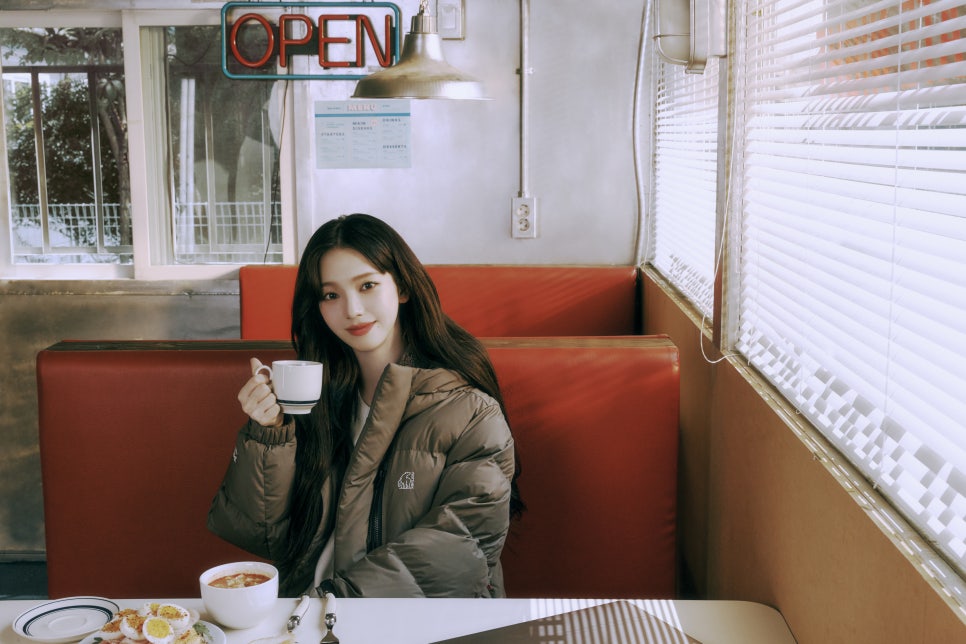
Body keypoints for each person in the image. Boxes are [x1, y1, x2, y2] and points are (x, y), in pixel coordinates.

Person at [208, 213, 523, 598]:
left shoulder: (470, 410)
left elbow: (459, 549)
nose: (352, 309)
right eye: (331, 295)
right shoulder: (316, 401)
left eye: (367, 285)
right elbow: (260, 537)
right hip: (308, 613)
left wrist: (333, 601)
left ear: (402, 287)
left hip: (404, 619)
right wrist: (270, 434)